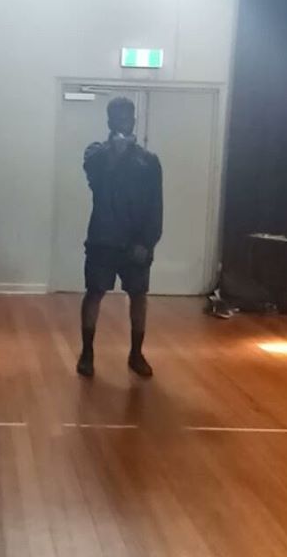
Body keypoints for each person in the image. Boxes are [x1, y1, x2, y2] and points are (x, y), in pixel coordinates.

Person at [77, 96, 163, 379]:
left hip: (136, 242)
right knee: (94, 293)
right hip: (102, 239)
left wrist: (148, 242)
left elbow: (155, 205)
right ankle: (87, 352)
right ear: (109, 121)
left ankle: (136, 353)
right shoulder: (96, 153)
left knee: (138, 296)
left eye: (127, 118)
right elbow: (95, 178)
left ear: (134, 121)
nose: (123, 123)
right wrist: (115, 154)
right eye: (117, 118)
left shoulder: (148, 161)